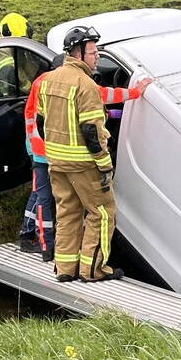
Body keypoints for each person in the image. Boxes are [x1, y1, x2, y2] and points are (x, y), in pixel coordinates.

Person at [18, 46, 152, 262]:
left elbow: (34, 116)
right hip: (54, 153)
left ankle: (42, 244)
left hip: (44, 150)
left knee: (46, 198)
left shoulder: (42, 82)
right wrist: (135, 92)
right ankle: (52, 248)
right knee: (81, 209)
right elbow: (100, 99)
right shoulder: (73, 82)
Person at [36, 26, 123, 282]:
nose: (96, 57)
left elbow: (42, 123)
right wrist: (105, 164)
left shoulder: (48, 79)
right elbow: (92, 131)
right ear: (79, 53)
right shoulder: (85, 84)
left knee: (67, 213)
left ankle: (65, 269)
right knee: (102, 213)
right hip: (84, 164)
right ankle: (93, 269)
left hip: (56, 162)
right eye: (93, 52)